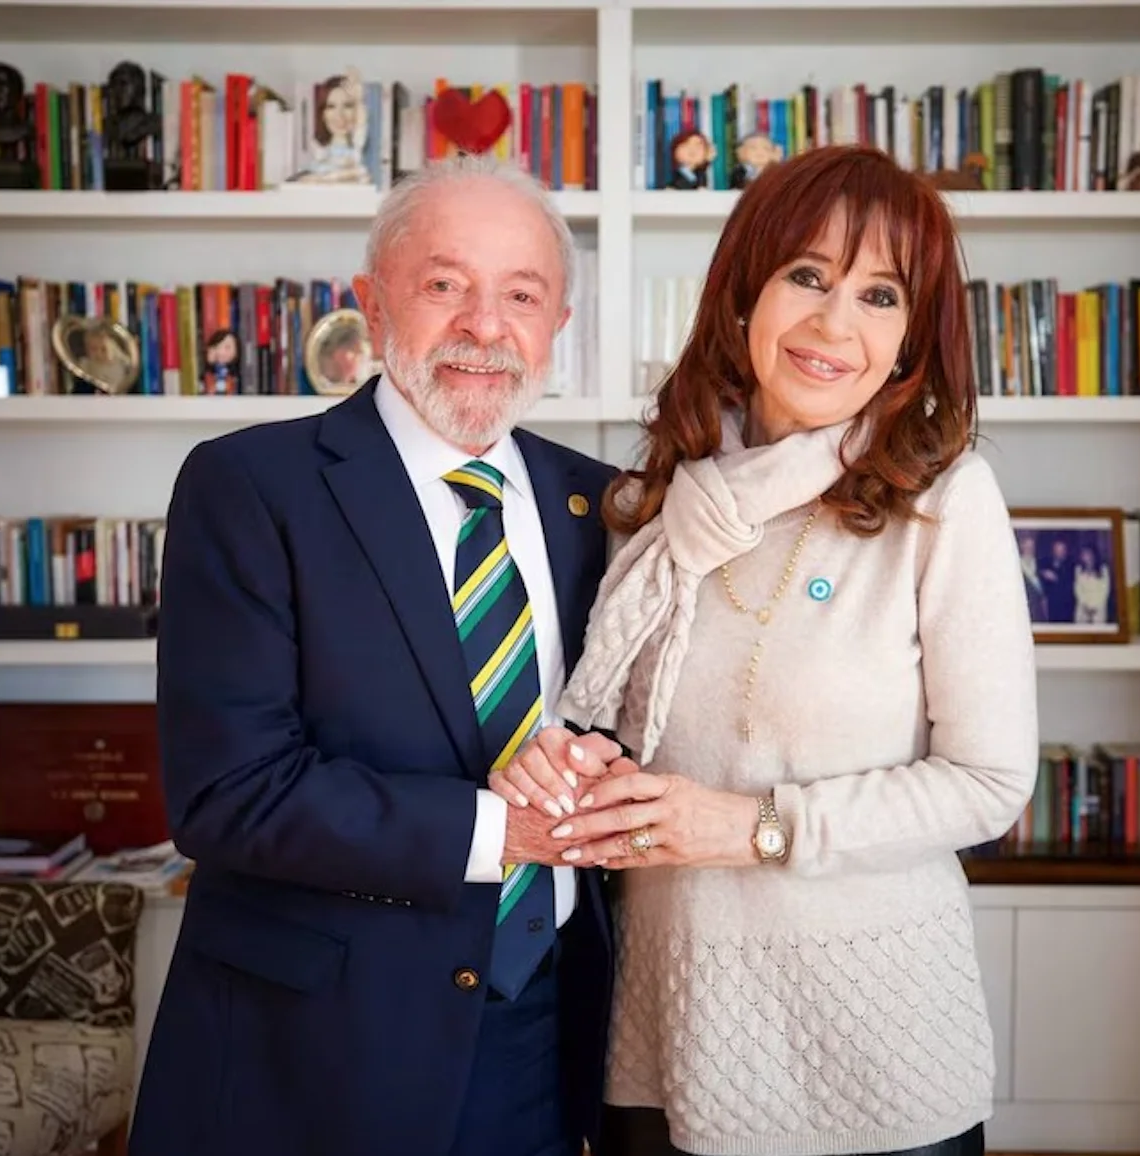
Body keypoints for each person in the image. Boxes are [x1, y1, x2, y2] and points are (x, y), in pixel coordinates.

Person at [491, 145, 1040, 1156]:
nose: (836, 324)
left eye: (880, 295)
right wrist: (570, 771)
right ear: (745, 293)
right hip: (665, 1033)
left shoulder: (945, 501)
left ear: (911, 338)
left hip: (874, 1047)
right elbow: (611, 734)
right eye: (808, 276)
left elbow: (988, 783)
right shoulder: (652, 505)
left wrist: (754, 828)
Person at [132, 152, 630, 1156]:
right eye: (445, 285)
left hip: (542, 1026)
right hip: (313, 1049)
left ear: (558, 324)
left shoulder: (602, 501)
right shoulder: (251, 486)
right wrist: (503, 832)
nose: (485, 327)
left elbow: (617, 716)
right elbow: (228, 793)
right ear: (372, 300)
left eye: (521, 295)